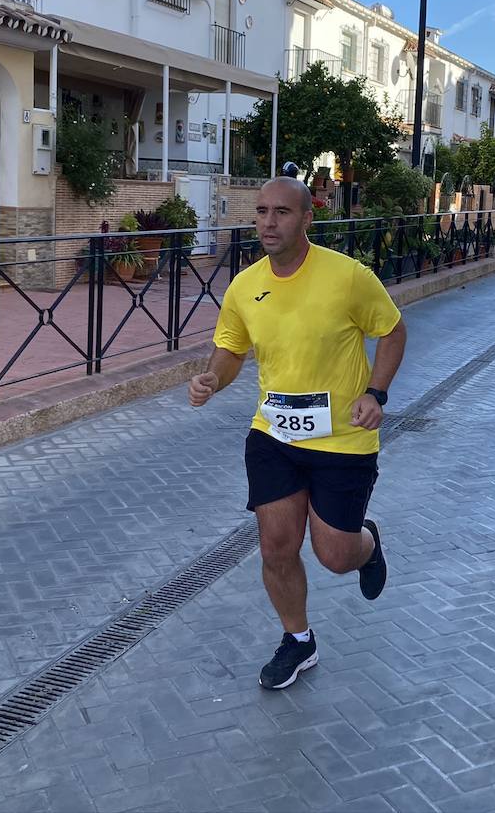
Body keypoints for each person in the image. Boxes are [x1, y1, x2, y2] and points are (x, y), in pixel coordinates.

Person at [188, 177, 407, 690]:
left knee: (333, 555)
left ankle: (367, 545)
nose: (268, 221)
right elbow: (231, 349)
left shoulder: (348, 276)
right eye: (261, 211)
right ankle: (298, 640)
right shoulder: (245, 286)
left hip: (342, 438)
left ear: (307, 218)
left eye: (282, 212)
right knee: (277, 547)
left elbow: (392, 331)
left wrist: (376, 393)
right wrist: (211, 380)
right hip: (274, 436)